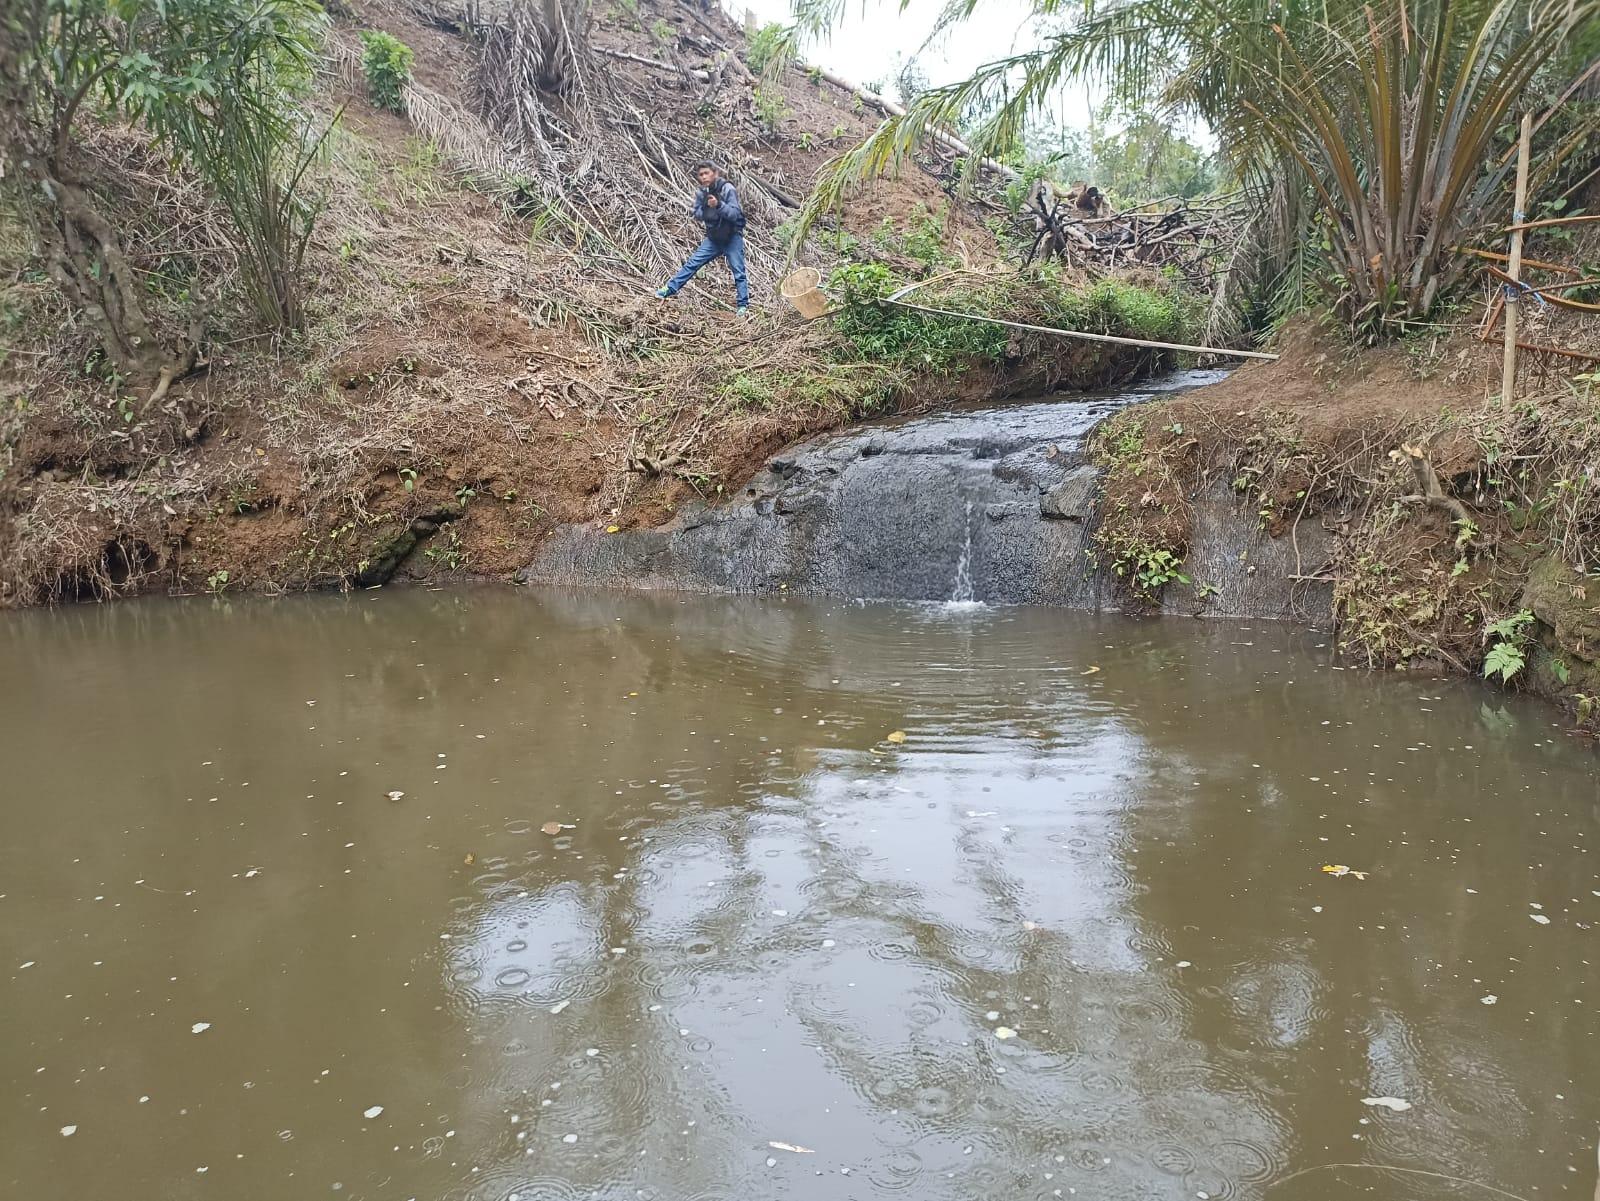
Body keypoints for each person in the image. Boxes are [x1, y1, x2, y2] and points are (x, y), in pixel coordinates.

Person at [655, 161, 749, 316]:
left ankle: (742, 306)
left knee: (738, 272)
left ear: (715, 173)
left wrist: (718, 205)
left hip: (732, 237)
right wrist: (705, 207)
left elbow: (735, 214)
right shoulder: (702, 193)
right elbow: (697, 213)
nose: (704, 177)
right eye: (701, 174)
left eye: (707, 173)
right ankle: (669, 289)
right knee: (692, 263)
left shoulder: (727, 189)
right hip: (714, 239)